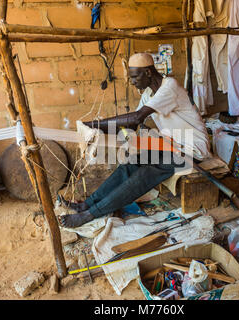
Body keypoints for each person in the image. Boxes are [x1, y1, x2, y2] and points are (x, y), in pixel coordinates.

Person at [59, 52, 211, 228]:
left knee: (145, 174)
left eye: (134, 76)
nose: (132, 82)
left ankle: (89, 214)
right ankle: (88, 204)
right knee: (131, 164)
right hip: (172, 145)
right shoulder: (148, 93)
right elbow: (131, 125)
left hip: (193, 149)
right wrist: (96, 131)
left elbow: (137, 118)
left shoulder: (170, 87)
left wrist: (95, 124)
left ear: (148, 72)